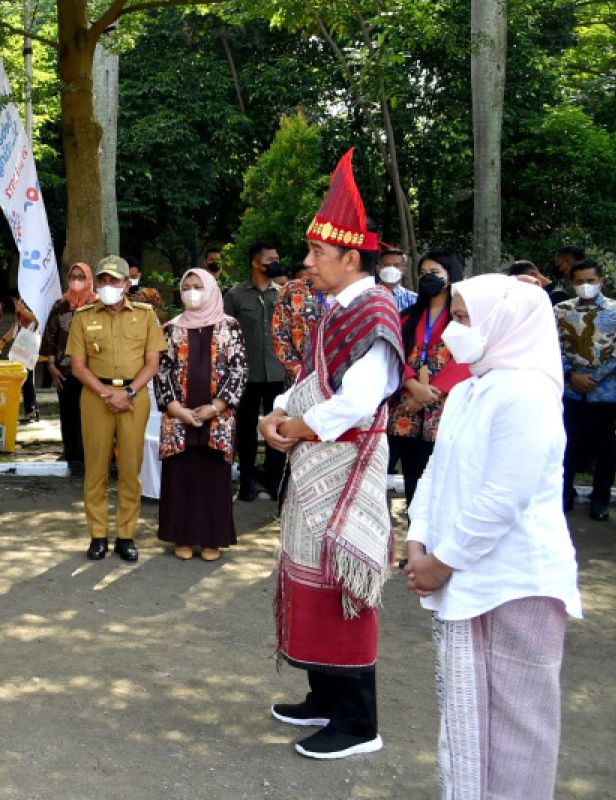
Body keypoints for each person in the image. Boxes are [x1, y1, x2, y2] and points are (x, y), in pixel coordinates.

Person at [405, 273, 582, 799]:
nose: (451, 332)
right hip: (463, 575)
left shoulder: (528, 393)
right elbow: (436, 474)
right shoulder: (470, 390)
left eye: (462, 319)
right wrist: (418, 541)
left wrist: (443, 560)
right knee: (467, 714)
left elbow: (506, 493)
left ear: (501, 324)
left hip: (516, 582)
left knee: (518, 725)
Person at [258, 149, 404, 760]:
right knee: (312, 578)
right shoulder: (335, 311)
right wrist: (279, 411)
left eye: (318, 253)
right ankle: (324, 693)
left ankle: (358, 722)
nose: (308, 262)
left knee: (343, 585)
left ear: (350, 256)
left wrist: (296, 426)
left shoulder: (373, 310)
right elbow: (313, 378)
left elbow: (358, 400)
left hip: (345, 468)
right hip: (319, 462)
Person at [66, 255, 165, 562]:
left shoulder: (147, 315)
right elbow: (78, 366)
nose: (108, 286)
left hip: (135, 396)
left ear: (126, 283)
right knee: (95, 469)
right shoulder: (83, 316)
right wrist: (107, 393)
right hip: (96, 396)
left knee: (130, 469)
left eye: (114, 280)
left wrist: (130, 392)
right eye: (103, 280)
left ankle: (125, 535)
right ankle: (97, 535)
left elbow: (153, 363)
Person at [154, 268, 247, 560]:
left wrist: (216, 406)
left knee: (213, 478)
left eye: (197, 286)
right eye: (186, 287)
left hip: (216, 418)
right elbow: (161, 371)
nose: (191, 291)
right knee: (180, 476)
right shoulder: (170, 328)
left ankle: (211, 540)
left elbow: (239, 369)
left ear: (210, 289)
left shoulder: (229, 326)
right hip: (178, 418)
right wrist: (176, 409)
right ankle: (181, 537)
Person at [386, 252, 470, 505]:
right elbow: (393, 354)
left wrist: (430, 393)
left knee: (440, 480)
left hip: (444, 407)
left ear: (450, 277)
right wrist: (412, 385)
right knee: (413, 476)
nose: (427, 278)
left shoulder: (463, 317)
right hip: (406, 407)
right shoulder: (407, 316)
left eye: (435, 273)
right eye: (423, 273)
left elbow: (466, 359)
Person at [555, 259, 616, 521]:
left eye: (590, 281)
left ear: (601, 282)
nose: (585, 286)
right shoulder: (561, 310)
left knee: (605, 447)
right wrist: (571, 375)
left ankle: (600, 499)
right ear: (572, 283)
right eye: (579, 281)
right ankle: (564, 494)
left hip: (605, 391)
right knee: (566, 443)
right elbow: (552, 346)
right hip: (570, 389)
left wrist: (592, 378)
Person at [224, 240, 287, 502]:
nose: (275, 263)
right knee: (246, 429)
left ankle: (274, 480)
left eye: (276, 258)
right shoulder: (236, 295)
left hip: (277, 373)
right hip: (245, 375)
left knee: (279, 428)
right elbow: (224, 335)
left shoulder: (282, 294)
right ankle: (247, 481)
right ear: (255, 262)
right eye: (270, 259)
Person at [41, 262, 95, 477]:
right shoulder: (60, 305)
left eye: (81, 276)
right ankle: (72, 455)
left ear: (89, 278)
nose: (76, 280)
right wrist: (51, 365)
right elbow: (51, 336)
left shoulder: (97, 305)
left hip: (93, 372)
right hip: (64, 370)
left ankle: (92, 455)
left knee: (90, 415)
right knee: (69, 413)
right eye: (73, 275)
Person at [271, 276, 327, 384]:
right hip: (303, 381)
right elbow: (279, 335)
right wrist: (299, 373)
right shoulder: (293, 289)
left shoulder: (353, 289)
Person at [2, 293, 41, 423]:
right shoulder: (19, 322)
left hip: (28, 356)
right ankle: (32, 411)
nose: (17, 309)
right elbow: (12, 331)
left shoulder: (34, 322)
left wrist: (22, 310)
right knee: (25, 382)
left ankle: (31, 411)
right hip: (18, 356)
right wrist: (2, 341)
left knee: (28, 381)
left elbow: (37, 318)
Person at [378, 246, 418, 312]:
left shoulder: (414, 299)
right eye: (386, 265)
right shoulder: (365, 296)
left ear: (404, 270)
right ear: (378, 268)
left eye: (396, 265)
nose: (391, 269)